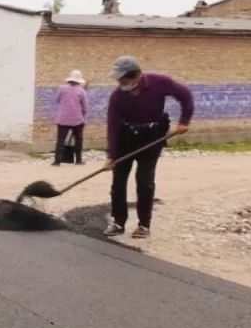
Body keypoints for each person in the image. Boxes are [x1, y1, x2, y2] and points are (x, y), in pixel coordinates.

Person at [103, 56, 194, 239]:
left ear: (136, 75)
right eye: (118, 80)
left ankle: (144, 225)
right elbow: (112, 125)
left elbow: (185, 96)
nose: (120, 83)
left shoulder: (159, 82)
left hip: (151, 137)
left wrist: (184, 121)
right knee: (118, 181)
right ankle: (118, 222)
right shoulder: (117, 96)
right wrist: (112, 155)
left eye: (123, 79)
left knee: (145, 182)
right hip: (125, 137)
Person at [52, 70, 88, 166]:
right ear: (79, 80)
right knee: (78, 140)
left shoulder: (62, 89)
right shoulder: (81, 91)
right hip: (77, 119)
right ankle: (78, 160)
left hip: (62, 119)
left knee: (60, 140)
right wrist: (83, 115)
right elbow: (85, 107)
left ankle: (57, 161)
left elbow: (57, 99)